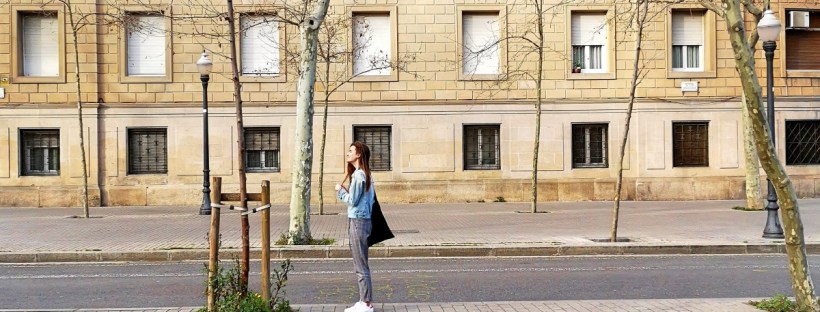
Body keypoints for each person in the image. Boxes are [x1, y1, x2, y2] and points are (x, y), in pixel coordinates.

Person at [336, 141, 376, 312]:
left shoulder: (359, 176)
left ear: (359, 154)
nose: (347, 153)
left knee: (360, 264)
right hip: (363, 220)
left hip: (359, 222)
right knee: (361, 263)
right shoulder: (364, 175)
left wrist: (340, 191)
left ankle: (366, 303)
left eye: (351, 151)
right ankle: (364, 301)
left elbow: (352, 201)